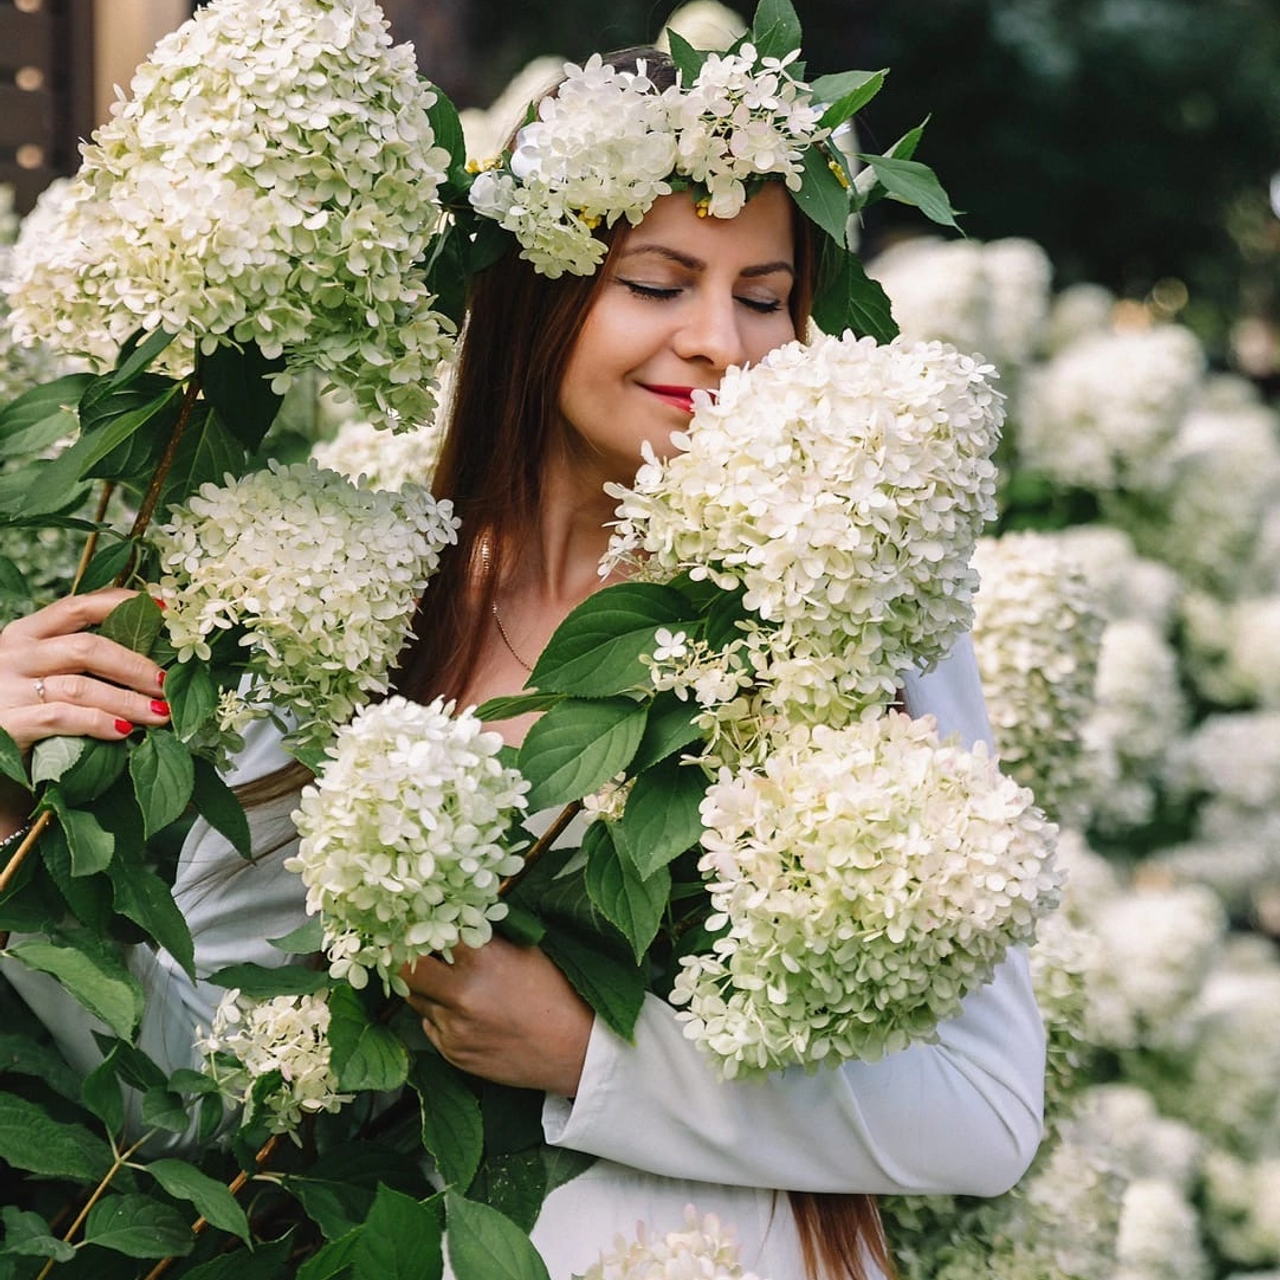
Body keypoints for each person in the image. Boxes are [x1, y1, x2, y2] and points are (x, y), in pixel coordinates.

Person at [0, 45, 1046, 1280]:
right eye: (656, 281)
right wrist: (18, 812)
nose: (719, 340)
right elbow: (202, 1090)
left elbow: (982, 1113)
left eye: (763, 296)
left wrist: (587, 1054)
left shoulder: (844, 610)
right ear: (540, 285)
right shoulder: (359, 595)